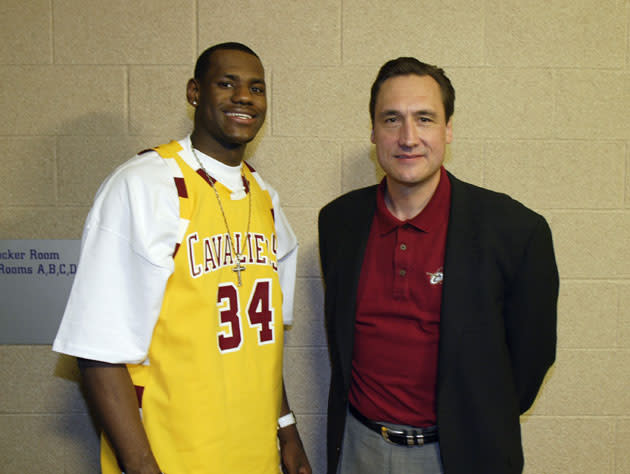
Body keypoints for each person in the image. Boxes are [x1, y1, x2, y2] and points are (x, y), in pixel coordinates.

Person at [53, 42, 312, 474]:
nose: (244, 97)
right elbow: (97, 349)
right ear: (194, 92)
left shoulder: (265, 198)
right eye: (226, 84)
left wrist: (287, 430)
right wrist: (140, 465)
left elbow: (258, 337)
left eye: (256, 87)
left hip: (254, 453)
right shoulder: (142, 185)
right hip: (174, 454)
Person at [318, 57, 558, 474]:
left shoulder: (517, 230)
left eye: (424, 119)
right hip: (359, 448)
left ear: (448, 129)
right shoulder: (338, 223)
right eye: (392, 119)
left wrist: (476, 421)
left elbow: (531, 359)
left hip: (461, 454)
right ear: (373, 132)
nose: (408, 137)